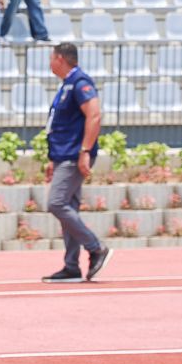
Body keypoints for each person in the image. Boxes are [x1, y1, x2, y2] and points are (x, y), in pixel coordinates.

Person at [40, 42, 108, 283]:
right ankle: (71, 266)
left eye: (51, 58)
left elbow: (94, 115)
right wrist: (53, 158)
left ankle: (95, 247)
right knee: (69, 207)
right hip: (63, 155)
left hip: (73, 155)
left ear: (60, 58)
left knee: (56, 203)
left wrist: (85, 151)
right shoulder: (67, 85)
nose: (49, 63)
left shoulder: (80, 83)